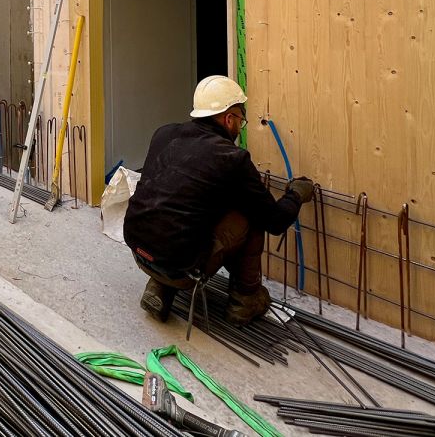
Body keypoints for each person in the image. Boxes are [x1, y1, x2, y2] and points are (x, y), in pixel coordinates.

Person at [123, 75, 314, 325]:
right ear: (229, 118)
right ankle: (245, 300)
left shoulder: (165, 134)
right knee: (251, 215)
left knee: (177, 213)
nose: (239, 128)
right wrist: (296, 194)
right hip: (181, 266)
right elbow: (275, 221)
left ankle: (159, 287)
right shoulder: (232, 158)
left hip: (138, 249)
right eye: (240, 121)